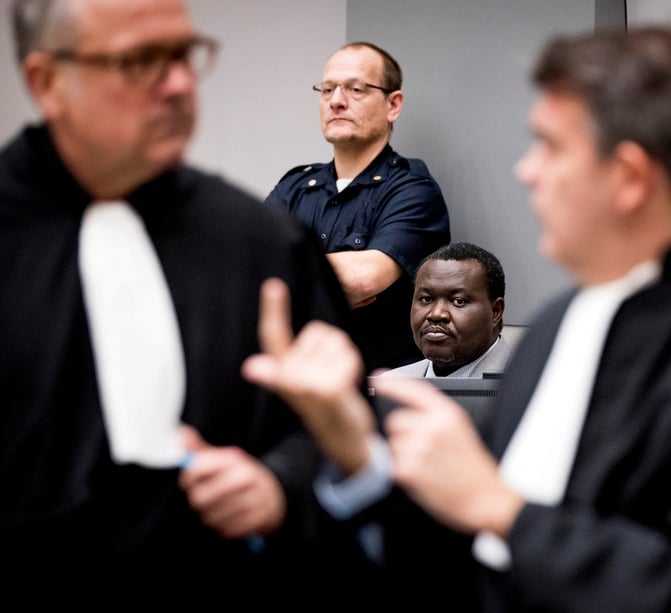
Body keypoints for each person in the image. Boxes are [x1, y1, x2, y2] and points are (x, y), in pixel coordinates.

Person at [243, 25, 671, 612]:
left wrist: (499, 508)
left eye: (548, 147)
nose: (526, 171)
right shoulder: (559, 327)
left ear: (628, 177)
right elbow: (474, 566)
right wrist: (357, 451)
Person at [0, 0, 357, 598]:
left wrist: (275, 485)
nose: (181, 84)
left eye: (185, 55)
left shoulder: (261, 240)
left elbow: (335, 431)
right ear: (47, 81)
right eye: (141, 61)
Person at [264, 40, 450, 371]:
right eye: (327, 89)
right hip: (297, 385)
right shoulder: (293, 187)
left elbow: (366, 277)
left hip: (379, 390)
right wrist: (326, 281)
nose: (336, 101)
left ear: (393, 104)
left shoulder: (412, 189)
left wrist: (280, 280)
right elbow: (245, 267)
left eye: (356, 89)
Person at [383, 241, 511, 378]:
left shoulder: (528, 388)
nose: (436, 314)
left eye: (458, 301)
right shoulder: (388, 386)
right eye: (426, 299)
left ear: (495, 312)